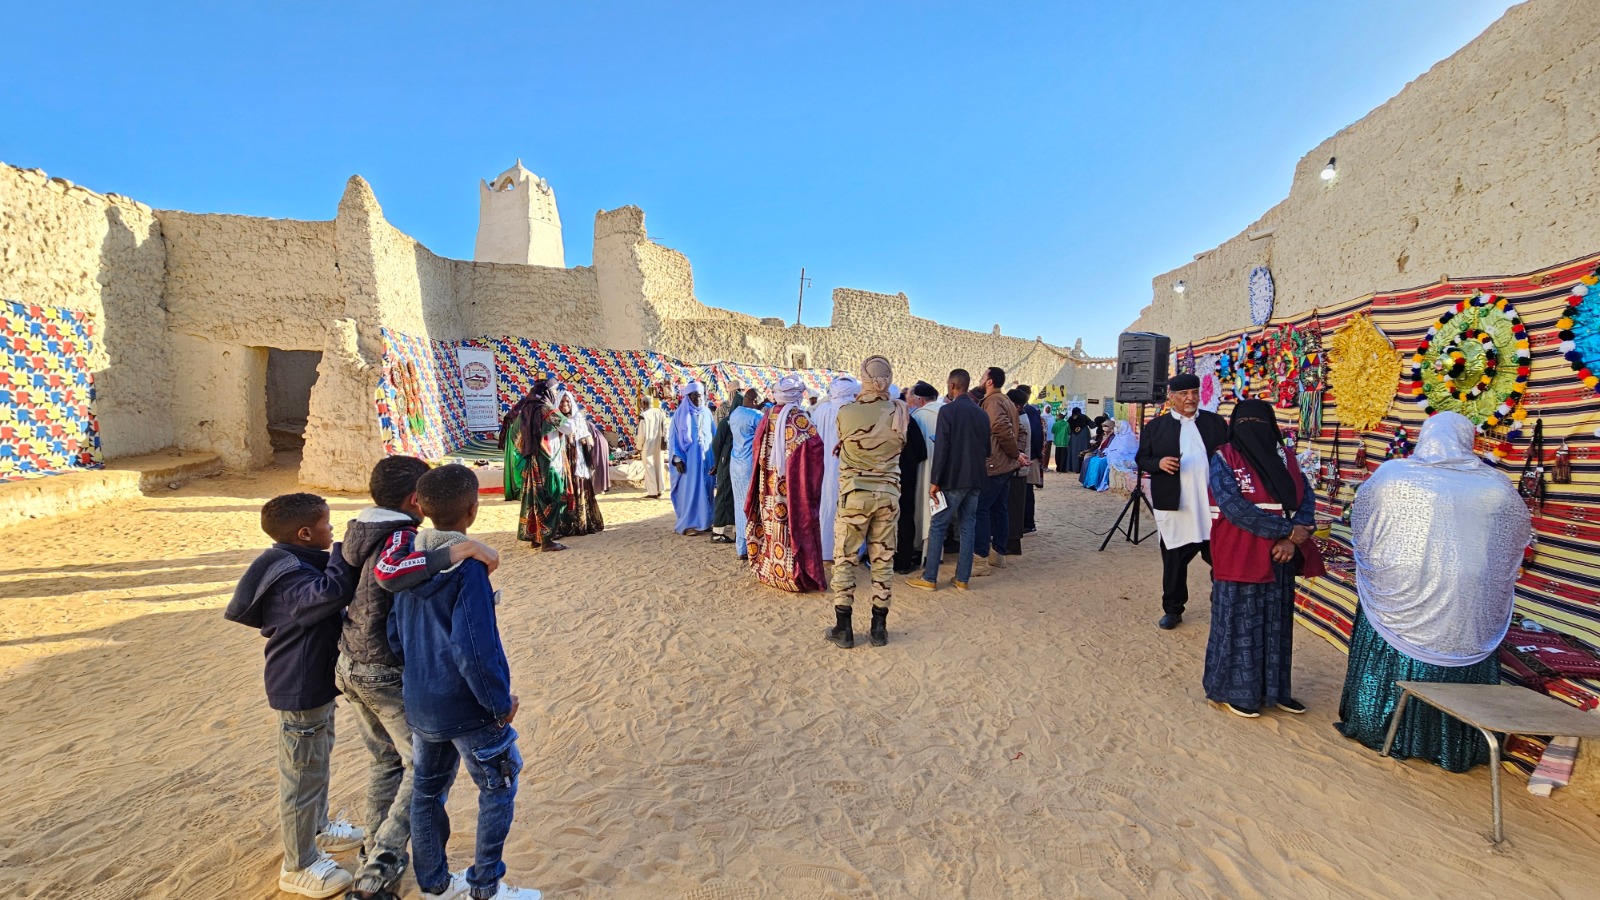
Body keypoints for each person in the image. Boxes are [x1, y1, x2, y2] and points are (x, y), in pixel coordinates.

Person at [337, 456, 500, 899]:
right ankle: (378, 871)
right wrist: (459, 550)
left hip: (352, 663)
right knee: (424, 773)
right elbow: (390, 577)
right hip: (382, 672)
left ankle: (373, 849)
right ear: (416, 501)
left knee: (387, 762)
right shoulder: (399, 538)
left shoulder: (356, 531)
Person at [1335, 411, 1532, 772]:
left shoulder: (1394, 475)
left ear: (1426, 436)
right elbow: (1516, 534)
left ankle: (1379, 725)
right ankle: (1452, 743)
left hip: (1401, 583)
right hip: (1467, 588)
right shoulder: (1495, 485)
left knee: (1396, 644)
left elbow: (1362, 517)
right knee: (1457, 642)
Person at [385, 465, 540, 900]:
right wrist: (497, 703)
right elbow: (474, 648)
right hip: (469, 708)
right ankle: (485, 886)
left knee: (427, 791)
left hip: (422, 704)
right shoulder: (467, 571)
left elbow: (396, 637)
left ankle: (434, 883)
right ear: (473, 510)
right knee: (498, 788)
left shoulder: (409, 565)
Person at [223, 492, 363, 899]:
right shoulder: (289, 578)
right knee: (302, 778)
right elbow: (330, 593)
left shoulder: (298, 562)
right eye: (327, 525)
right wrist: (346, 550)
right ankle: (298, 864)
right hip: (298, 692)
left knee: (316, 763)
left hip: (315, 689)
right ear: (305, 534)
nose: (332, 530)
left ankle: (318, 828)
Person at [1202, 400, 1324, 718]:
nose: (1253, 428)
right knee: (1239, 622)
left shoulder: (1287, 459)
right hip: (1240, 552)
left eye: (1260, 421)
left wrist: (1293, 540)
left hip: (1280, 556)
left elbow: (1307, 499)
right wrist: (1286, 532)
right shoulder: (1224, 457)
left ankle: (1275, 691)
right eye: (1246, 422)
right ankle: (1232, 691)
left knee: (1276, 623)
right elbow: (1234, 508)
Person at [1136, 373, 1229, 630]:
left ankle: (1222, 605)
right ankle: (1173, 610)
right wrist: (1159, 463)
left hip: (1212, 506)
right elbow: (1142, 459)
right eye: (1184, 394)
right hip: (1177, 506)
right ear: (1172, 397)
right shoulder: (1156, 427)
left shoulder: (1215, 423)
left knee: (1220, 559)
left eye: (1194, 393)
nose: (1190, 398)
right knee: (1175, 563)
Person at [828, 356, 908, 649]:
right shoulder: (900, 410)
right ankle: (878, 629)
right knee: (883, 560)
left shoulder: (845, 412)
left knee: (845, 560)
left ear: (863, 378)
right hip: (887, 496)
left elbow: (846, 439)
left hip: (854, 496)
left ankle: (844, 629)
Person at [907, 369, 990, 591]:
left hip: (953, 478)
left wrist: (935, 481)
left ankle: (930, 577)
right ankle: (962, 578)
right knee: (968, 526)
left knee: (938, 526)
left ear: (953, 386)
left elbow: (942, 448)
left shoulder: (949, 411)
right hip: (976, 478)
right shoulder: (982, 414)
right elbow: (987, 450)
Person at [746, 375, 826, 592]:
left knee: (773, 525)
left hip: (769, 483)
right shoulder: (798, 418)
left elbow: (757, 448)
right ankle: (794, 575)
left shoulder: (768, 415)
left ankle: (773, 571)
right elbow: (815, 449)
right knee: (791, 524)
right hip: (790, 485)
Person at [513, 377, 573, 552]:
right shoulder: (545, 409)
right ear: (547, 392)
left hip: (532, 461)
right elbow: (568, 427)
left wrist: (529, 447)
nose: (555, 394)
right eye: (554, 391)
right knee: (552, 496)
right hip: (548, 461)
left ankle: (536, 538)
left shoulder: (526, 409)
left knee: (535, 498)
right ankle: (547, 540)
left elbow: (515, 435)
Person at [974, 367, 1024, 574]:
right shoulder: (1006, 401)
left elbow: (1001, 428)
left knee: (981, 510)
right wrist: (1016, 454)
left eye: (982, 376)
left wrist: (1015, 454)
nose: (980, 378)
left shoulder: (993, 402)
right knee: (999, 509)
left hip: (995, 465)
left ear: (989, 381)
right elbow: (1018, 430)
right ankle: (998, 555)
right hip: (1005, 465)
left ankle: (980, 560)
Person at [814, 375, 861, 562]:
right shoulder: (856, 412)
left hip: (824, 468)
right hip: (849, 469)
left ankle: (826, 549)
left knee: (826, 504)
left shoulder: (821, 410)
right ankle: (847, 551)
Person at [891, 383, 937, 573]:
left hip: (880, 478)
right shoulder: (910, 420)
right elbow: (921, 452)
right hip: (906, 477)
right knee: (905, 517)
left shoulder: (874, 419)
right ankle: (903, 562)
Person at [668, 381, 716, 535]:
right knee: (690, 491)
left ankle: (705, 521)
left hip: (706, 459)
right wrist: (677, 459)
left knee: (707, 489)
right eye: (694, 396)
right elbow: (674, 439)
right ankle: (688, 525)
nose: (698, 399)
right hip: (688, 461)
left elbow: (713, 435)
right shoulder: (680, 415)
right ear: (688, 397)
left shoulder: (707, 413)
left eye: (700, 396)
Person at [558, 390, 605, 536]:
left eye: (567, 402)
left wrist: (585, 441)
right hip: (563, 462)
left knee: (579, 487)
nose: (565, 405)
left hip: (577, 461)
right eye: (562, 402)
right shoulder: (555, 420)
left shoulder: (578, 419)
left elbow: (588, 437)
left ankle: (581, 523)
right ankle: (565, 525)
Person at [728, 388, 763, 560]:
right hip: (748, 465)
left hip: (735, 464)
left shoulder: (735, 414)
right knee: (750, 505)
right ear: (755, 401)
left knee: (739, 504)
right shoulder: (755, 416)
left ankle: (741, 547)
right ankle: (751, 547)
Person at [708, 389, 745, 545]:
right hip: (727, 463)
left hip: (735, 464)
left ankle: (738, 531)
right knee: (724, 495)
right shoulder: (726, 422)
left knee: (737, 496)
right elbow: (716, 445)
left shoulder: (739, 421)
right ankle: (717, 532)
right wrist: (718, 464)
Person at [909, 381, 944, 548]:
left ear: (919, 399)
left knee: (922, 507)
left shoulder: (918, 416)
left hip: (923, 469)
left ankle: (920, 546)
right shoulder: (946, 412)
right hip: (944, 469)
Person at [499, 389, 536, 501]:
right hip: (519, 446)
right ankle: (521, 493)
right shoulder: (526, 410)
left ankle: (517, 492)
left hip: (515, 446)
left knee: (516, 467)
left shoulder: (517, 410)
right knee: (520, 468)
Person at [637, 396, 669, 499]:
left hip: (648, 444)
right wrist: (665, 439)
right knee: (659, 465)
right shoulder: (660, 412)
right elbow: (666, 427)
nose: (641, 405)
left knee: (650, 466)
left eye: (641, 403)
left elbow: (642, 434)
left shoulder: (644, 416)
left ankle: (652, 492)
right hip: (659, 443)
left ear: (645, 404)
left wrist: (639, 446)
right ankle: (660, 489)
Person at [1063, 408, 1093, 474]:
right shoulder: (1084, 417)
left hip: (1074, 436)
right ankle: (1083, 468)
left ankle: (1074, 468)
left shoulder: (1070, 418)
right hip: (1084, 435)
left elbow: (1067, 428)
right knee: (1084, 450)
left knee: (1074, 451)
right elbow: (1092, 425)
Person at [1051, 406, 1072, 473]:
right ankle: (1062, 468)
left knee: (1057, 455)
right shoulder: (1067, 424)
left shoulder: (1056, 424)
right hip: (1065, 441)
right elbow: (1069, 432)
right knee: (1063, 456)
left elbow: (1053, 431)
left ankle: (1058, 468)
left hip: (1057, 441)